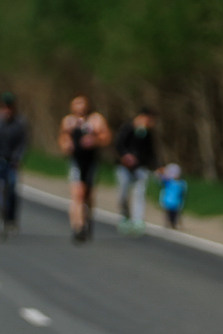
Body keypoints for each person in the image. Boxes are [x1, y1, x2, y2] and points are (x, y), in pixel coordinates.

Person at [59, 96, 110, 242]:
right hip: (76, 161)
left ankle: (88, 220)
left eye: (82, 103)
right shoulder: (68, 121)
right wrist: (67, 146)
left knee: (88, 195)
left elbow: (106, 137)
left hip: (91, 161)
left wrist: (94, 140)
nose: (79, 107)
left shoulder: (96, 120)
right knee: (77, 194)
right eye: (76, 103)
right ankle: (77, 226)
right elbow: (63, 139)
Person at [0, 93, 28, 238]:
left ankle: (10, 218)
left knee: (12, 187)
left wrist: (17, 159)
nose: (6, 111)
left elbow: (23, 144)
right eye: (3, 108)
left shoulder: (20, 124)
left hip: (11, 160)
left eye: (9, 108)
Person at [113, 109, 159, 234]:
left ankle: (138, 220)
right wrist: (125, 156)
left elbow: (151, 152)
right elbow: (118, 144)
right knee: (123, 193)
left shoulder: (147, 134)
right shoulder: (127, 128)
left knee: (140, 193)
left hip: (141, 167)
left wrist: (157, 167)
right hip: (124, 168)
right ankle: (124, 216)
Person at [159, 162, 187, 229]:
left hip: (176, 202)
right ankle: (168, 223)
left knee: (175, 214)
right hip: (168, 201)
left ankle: (174, 224)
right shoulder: (168, 181)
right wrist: (162, 172)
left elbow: (183, 193)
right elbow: (161, 179)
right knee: (168, 214)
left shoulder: (182, 183)